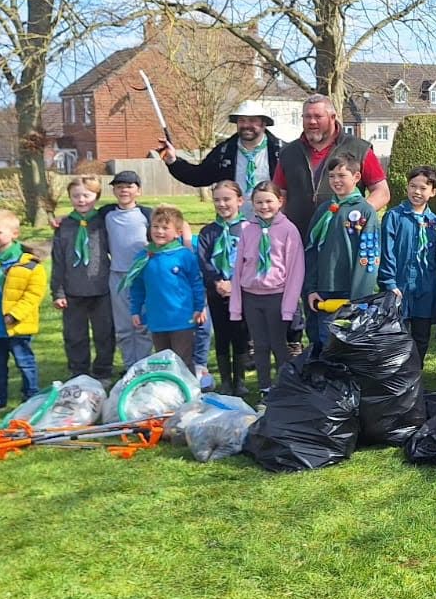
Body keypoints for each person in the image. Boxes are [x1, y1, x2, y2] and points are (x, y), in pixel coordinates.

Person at [274, 94, 389, 246]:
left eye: (318, 116)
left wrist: (355, 215)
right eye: (307, 116)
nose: (312, 121)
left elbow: (382, 192)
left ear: (333, 117)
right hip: (297, 241)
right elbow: (279, 196)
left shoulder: (359, 149)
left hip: (343, 241)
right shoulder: (288, 152)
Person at [230, 182, 305, 396]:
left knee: (278, 344)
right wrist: (236, 305)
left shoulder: (288, 230)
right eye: (259, 202)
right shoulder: (247, 229)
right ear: (252, 204)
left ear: (280, 201)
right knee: (260, 345)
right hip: (251, 297)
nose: (264, 206)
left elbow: (295, 270)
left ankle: (283, 388)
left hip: (276, 296)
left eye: (269, 201)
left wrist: (289, 306)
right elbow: (238, 267)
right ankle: (264, 387)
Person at [303, 154, 382, 352]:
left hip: (351, 291)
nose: (336, 181)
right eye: (331, 176)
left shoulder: (365, 211)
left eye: (341, 175)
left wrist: (360, 297)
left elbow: (368, 257)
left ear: (356, 177)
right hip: (324, 289)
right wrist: (311, 288)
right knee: (326, 341)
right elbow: (311, 251)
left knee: (351, 344)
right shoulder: (324, 210)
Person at [0, 209, 47, 416]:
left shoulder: (29, 264)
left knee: (25, 363)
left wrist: (15, 314)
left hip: (17, 325)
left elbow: (34, 294)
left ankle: (31, 397)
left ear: (14, 233)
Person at [156, 103, 284, 213]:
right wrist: (173, 161)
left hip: (272, 222)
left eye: (252, 120)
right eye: (242, 120)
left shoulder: (281, 151)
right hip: (233, 223)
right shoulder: (224, 151)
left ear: (264, 123)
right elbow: (199, 176)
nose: (246, 125)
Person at [127, 205, 208, 371]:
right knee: (163, 362)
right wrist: (135, 310)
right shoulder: (144, 257)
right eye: (155, 226)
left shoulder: (184, 255)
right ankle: (167, 388)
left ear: (178, 233)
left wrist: (199, 307)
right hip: (157, 319)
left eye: (165, 228)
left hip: (181, 318)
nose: (159, 231)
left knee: (182, 361)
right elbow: (137, 287)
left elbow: (196, 283)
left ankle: (189, 387)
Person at [50, 175, 115, 382]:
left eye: (86, 195)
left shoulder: (104, 222)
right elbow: (58, 260)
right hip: (72, 290)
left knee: (104, 333)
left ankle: (103, 370)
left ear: (97, 196)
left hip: (101, 288)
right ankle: (79, 372)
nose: (81, 200)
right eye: (76, 196)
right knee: (75, 335)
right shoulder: (64, 226)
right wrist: (58, 292)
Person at [379, 165, 436, 360]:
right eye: (413, 186)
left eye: (423, 188)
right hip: (399, 286)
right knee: (397, 334)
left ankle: (416, 372)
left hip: (425, 288)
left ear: (433, 192)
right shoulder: (394, 217)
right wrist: (389, 282)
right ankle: (397, 373)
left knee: (421, 336)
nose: (417, 191)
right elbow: (387, 252)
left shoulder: (435, 223)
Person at [197, 181, 252, 397]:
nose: (222, 204)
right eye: (217, 200)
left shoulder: (249, 229)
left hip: (241, 291)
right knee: (221, 336)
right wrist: (218, 282)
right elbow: (203, 260)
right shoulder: (208, 232)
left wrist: (234, 283)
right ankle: (226, 381)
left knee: (240, 335)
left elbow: (252, 260)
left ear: (240, 201)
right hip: (216, 292)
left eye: (227, 199)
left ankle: (240, 381)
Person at [100, 170, 155, 369]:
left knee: (142, 324)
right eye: (119, 187)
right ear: (114, 190)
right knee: (123, 326)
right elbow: (83, 218)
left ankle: (142, 366)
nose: (124, 190)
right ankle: (129, 366)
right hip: (118, 275)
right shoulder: (106, 213)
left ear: (138, 191)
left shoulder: (147, 214)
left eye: (129, 186)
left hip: (143, 275)